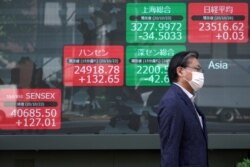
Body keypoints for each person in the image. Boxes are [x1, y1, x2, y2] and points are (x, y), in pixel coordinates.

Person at [157, 51, 209, 167]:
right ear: (180, 71)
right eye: (197, 69)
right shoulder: (172, 102)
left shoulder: (186, 99)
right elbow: (169, 152)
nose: (200, 74)